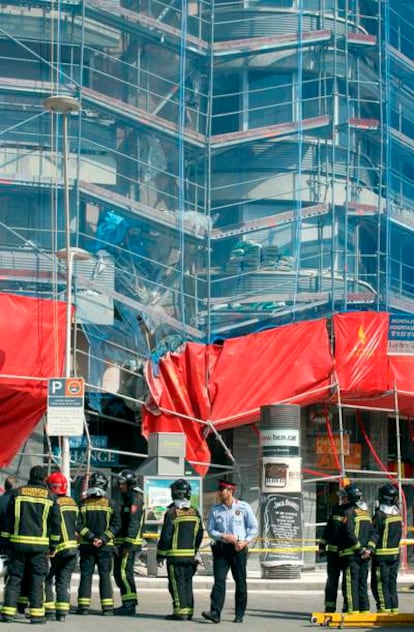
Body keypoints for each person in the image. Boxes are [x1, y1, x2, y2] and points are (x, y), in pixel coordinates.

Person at [1, 465, 60, 624]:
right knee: (37, 579)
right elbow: (55, 524)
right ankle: (36, 615)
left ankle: (7, 613)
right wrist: (53, 546)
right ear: (45, 479)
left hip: (18, 544)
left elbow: (8, 519)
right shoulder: (51, 497)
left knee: (15, 578)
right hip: (40, 547)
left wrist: (5, 541)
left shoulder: (17, 493)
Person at [202, 480, 258, 624]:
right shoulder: (216, 509)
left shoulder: (243, 507)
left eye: (223, 489)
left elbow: (253, 527)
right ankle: (215, 612)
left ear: (231, 490)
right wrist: (223, 535)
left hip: (238, 549)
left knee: (240, 581)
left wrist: (245, 541)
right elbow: (210, 529)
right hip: (221, 548)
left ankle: (239, 613)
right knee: (219, 581)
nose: (220, 492)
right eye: (219, 489)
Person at [157, 479, 203, 621]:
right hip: (190, 557)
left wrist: (160, 555)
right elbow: (199, 534)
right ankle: (188, 611)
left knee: (176, 585)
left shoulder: (171, 513)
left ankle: (180, 612)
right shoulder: (195, 512)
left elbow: (166, 536)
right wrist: (194, 551)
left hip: (175, 557)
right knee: (188, 584)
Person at [77, 472, 121, 616]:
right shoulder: (111, 504)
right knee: (105, 576)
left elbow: (78, 524)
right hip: (105, 546)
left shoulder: (82, 504)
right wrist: (102, 538)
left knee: (86, 575)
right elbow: (116, 525)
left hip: (86, 545)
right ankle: (107, 608)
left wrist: (91, 537)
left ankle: (83, 607)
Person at [44, 472, 79, 622]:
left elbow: (52, 526)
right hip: (73, 549)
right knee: (63, 580)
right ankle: (62, 612)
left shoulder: (52, 502)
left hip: (56, 548)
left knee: (46, 579)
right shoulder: (73, 503)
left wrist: (51, 546)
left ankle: (50, 610)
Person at [338, 483, 376, 614]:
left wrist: (360, 550)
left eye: (344, 498)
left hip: (352, 556)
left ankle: (352, 612)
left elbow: (349, 534)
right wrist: (368, 550)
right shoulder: (366, 514)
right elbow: (373, 534)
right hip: (365, 556)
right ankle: (364, 611)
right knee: (362, 584)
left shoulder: (349, 513)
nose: (342, 501)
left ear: (350, 499)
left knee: (350, 585)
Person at [113, 469, 144, 616]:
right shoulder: (127, 497)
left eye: (122, 483)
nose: (120, 486)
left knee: (125, 573)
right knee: (120, 573)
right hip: (122, 542)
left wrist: (127, 545)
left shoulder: (134, 498)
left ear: (130, 484)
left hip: (128, 544)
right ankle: (127, 602)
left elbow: (133, 522)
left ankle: (129, 605)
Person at [371, 483, 402, 613]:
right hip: (395, 555)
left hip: (381, 556)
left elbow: (375, 534)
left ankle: (384, 610)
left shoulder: (380, 515)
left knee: (379, 584)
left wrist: (369, 549)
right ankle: (394, 609)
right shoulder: (397, 514)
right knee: (391, 583)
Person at [319, 487, 349, 613]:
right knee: (332, 581)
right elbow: (328, 529)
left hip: (347, 553)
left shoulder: (354, 512)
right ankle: (330, 607)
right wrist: (321, 546)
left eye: (344, 497)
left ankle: (348, 606)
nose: (341, 499)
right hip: (333, 553)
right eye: (341, 497)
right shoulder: (336, 510)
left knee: (347, 582)